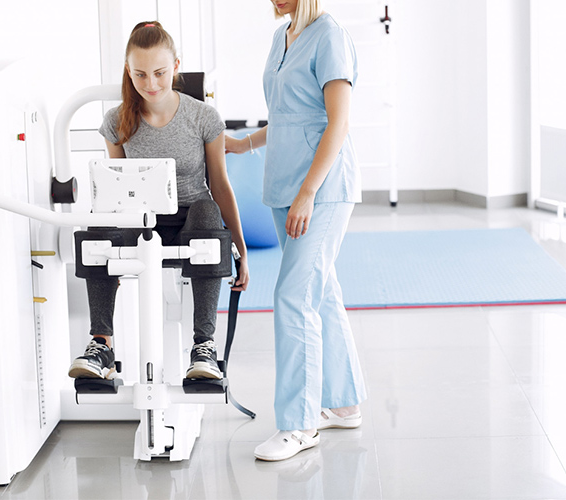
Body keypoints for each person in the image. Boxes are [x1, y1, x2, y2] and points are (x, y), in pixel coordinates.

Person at [225, 0, 366, 461]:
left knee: (294, 297)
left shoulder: (330, 36)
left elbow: (338, 123)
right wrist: (243, 144)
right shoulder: (281, 37)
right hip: (284, 184)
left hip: (321, 189)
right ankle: (343, 403)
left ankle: (299, 424)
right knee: (319, 292)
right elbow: (288, 115)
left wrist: (308, 192)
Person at [70, 21, 249, 383]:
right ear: (128, 71)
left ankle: (204, 347)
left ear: (176, 66)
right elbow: (115, 191)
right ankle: (101, 345)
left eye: (160, 73)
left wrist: (240, 251)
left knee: (206, 209)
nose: (150, 83)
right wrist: (110, 251)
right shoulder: (116, 121)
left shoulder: (203, 117)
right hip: (140, 223)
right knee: (98, 221)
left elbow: (220, 185)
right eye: (140, 74)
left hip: (192, 224)